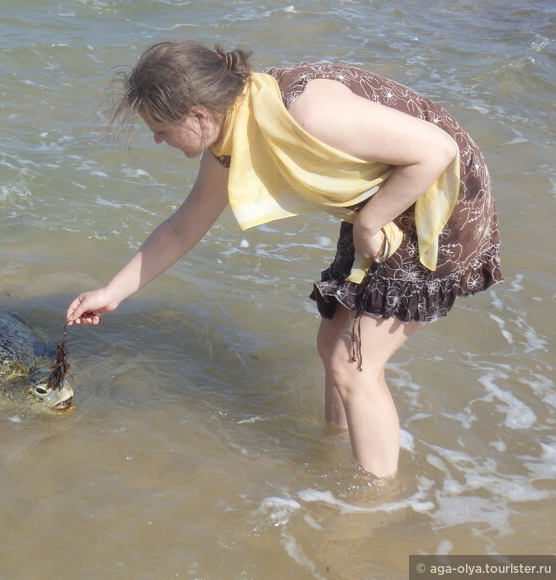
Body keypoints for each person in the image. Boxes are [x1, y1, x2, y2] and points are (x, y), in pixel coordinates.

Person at [65, 41, 501, 478]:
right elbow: (183, 228)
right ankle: (340, 454)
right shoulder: (232, 129)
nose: (158, 140)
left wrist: (370, 223)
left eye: (160, 128)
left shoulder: (307, 112)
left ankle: (371, 507)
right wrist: (111, 292)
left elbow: (437, 151)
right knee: (332, 343)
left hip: (441, 198)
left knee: (355, 365)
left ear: (198, 115)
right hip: (382, 198)